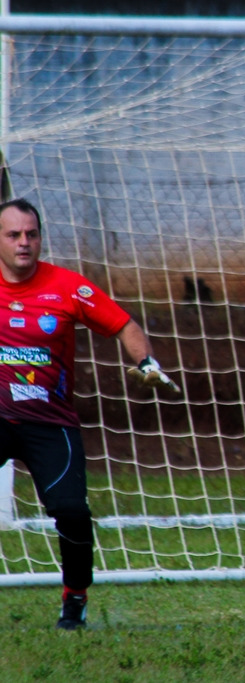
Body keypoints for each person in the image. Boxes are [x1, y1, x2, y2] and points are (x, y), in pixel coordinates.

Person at [0, 197, 179, 629]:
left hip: (51, 424)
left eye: (32, 234)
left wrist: (146, 363)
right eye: (13, 235)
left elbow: (124, 325)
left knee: (72, 513)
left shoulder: (67, 287)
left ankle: (75, 598)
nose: (24, 243)